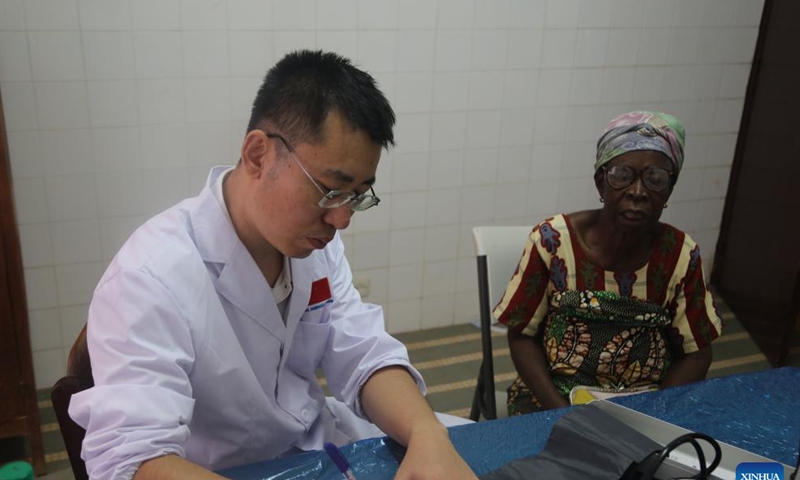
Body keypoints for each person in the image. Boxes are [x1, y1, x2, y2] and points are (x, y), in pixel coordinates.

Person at [69, 50, 477, 480]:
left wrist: (426, 432)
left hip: (320, 451)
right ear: (258, 155)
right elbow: (133, 460)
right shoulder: (148, 278)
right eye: (330, 190)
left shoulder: (313, 244)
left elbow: (361, 352)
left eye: (358, 195)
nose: (341, 219)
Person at [494, 111, 723, 416]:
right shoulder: (552, 241)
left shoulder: (681, 255)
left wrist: (651, 418)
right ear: (601, 183)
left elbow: (696, 355)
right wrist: (563, 413)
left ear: (669, 191)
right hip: (551, 400)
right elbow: (522, 334)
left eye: (655, 179)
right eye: (621, 175)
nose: (638, 192)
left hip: (645, 406)